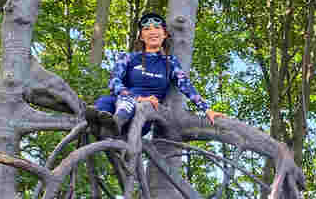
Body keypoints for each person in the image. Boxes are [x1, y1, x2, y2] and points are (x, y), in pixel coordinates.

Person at [85, 12, 221, 137]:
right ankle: (101, 127)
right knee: (104, 101)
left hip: (143, 115)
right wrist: (135, 97)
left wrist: (207, 110)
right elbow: (114, 81)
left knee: (129, 104)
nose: (152, 32)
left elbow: (185, 85)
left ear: (165, 34)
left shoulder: (170, 62)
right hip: (123, 101)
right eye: (147, 29)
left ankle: (115, 125)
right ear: (141, 36)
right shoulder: (128, 58)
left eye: (157, 28)